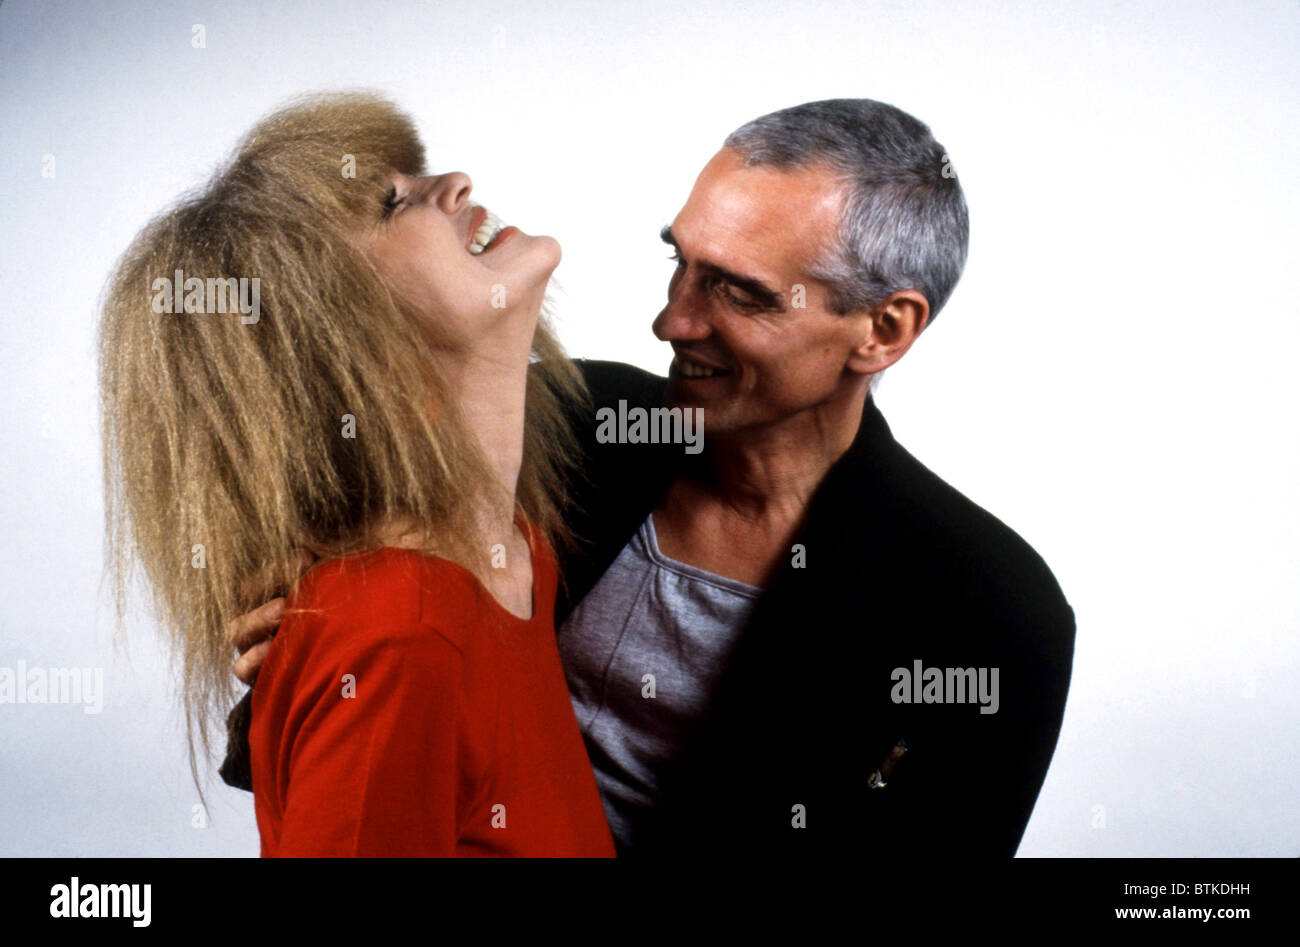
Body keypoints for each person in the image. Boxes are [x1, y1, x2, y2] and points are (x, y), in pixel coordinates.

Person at [222, 98, 1076, 858]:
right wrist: (300, 631)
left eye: (740, 294)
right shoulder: (555, 417)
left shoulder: (991, 614)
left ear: (883, 330)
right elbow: (369, 684)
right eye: (682, 262)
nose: (672, 319)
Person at [99, 92, 614, 857]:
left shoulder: (521, 550)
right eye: (394, 201)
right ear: (339, 340)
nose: (458, 185)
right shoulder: (397, 630)